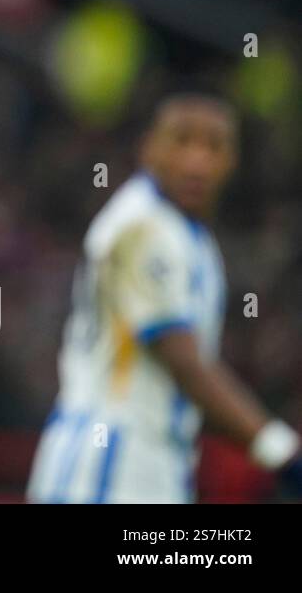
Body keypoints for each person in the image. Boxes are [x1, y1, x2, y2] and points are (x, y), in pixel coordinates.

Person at [27, 93, 302, 502]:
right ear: (149, 147)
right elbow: (184, 362)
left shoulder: (187, 234)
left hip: (153, 459)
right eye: (182, 140)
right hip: (110, 456)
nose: (197, 161)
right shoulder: (143, 227)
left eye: (213, 145)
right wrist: (280, 451)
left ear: (233, 158)